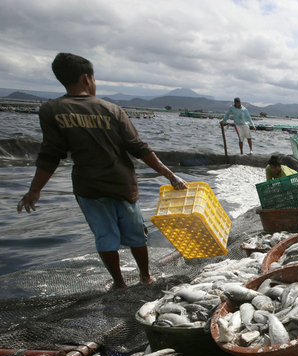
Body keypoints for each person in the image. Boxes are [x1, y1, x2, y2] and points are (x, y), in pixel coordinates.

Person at [17, 52, 187, 290]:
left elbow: (50, 154)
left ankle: (119, 283)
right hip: (123, 184)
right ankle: (146, 277)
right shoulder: (112, 109)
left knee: (105, 236)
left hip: (89, 187)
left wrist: (34, 190)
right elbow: (139, 148)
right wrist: (171, 175)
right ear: (86, 78)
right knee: (136, 234)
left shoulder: (51, 110)